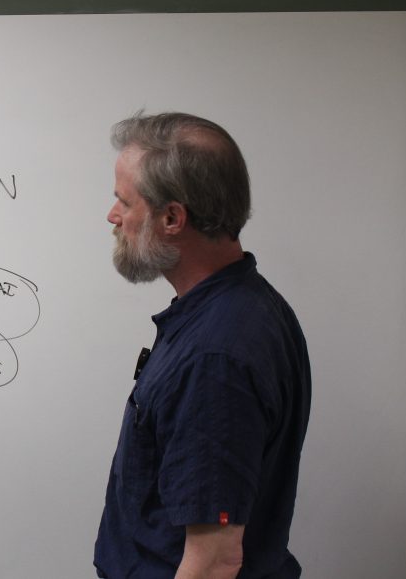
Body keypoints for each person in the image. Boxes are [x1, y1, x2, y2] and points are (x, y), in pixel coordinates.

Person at [94, 112, 312, 578]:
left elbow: (215, 560)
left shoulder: (216, 356)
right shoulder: (246, 306)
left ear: (172, 218)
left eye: (124, 202)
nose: (113, 216)